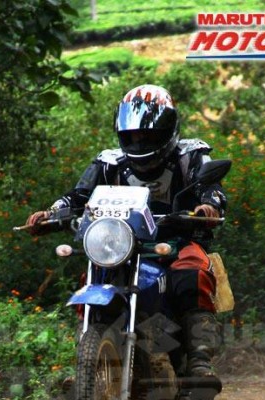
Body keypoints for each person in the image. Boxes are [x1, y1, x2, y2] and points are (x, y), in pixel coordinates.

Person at [26, 84, 227, 376]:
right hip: (122, 246)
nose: (139, 141)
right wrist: (51, 213)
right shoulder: (109, 163)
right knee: (93, 275)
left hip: (175, 242)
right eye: (132, 136)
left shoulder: (190, 155)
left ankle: (199, 360)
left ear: (168, 130)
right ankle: (88, 366)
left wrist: (209, 206)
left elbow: (212, 189)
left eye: (147, 135)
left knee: (193, 271)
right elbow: (78, 196)